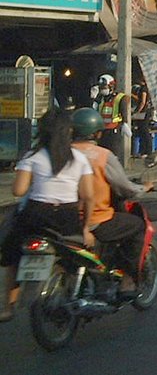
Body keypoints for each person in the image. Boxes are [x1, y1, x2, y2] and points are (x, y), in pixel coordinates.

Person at [1, 109, 95, 322]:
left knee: (12, 253)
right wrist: (86, 228)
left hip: (36, 215)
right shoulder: (79, 159)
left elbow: (18, 190)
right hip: (67, 217)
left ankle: (7, 306)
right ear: (67, 132)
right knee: (78, 254)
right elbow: (89, 196)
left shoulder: (32, 157)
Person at [71, 107, 153, 295]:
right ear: (98, 133)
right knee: (137, 225)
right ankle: (128, 281)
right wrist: (143, 188)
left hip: (64, 218)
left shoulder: (61, 152)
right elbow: (124, 187)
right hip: (95, 219)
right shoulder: (102, 156)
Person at [95, 74, 128, 155]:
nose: (102, 89)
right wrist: (94, 99)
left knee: (113, 154)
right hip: (102, 129)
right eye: (101, 87)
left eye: (104, 87)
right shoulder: (101, 98)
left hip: (114, 129)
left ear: (111, 86)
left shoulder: (119, 98)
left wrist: (125, 123)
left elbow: (123, 111)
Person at [130, 72, 157, 167]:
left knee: (144, 131)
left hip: (144, 112)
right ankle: (145, 151)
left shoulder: (144, 89)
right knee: (143, 131)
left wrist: (137, 111)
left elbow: (142, 101)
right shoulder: (148, 89)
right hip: (147, 111)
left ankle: (146, 151)